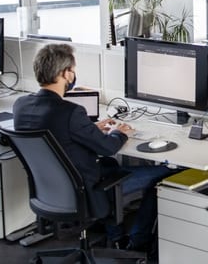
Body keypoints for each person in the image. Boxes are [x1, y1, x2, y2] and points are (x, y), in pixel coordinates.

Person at [12, 43, 173, 252]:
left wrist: (88, 128)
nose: (73, 75)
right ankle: (138, 241)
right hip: (85, 192)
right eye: (72, 70)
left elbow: (57, 133)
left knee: (110, 165)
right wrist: (120, 132)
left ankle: (116, 237)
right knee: (163, 175)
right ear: (65, 74)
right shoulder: (71, 112)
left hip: (50, 192)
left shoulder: (21, 105)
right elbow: (108, 147)